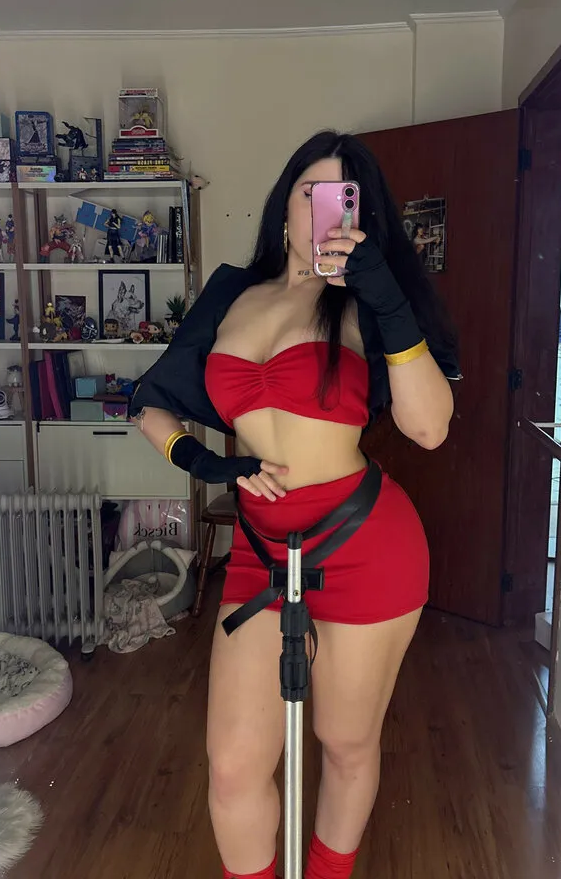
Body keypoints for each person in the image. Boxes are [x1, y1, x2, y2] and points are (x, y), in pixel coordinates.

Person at [128, 130, 460, 879]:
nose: (323, 210)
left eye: (343, 197)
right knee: (231, 767)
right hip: (259, 547)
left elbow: (430, 427)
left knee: (345, 744)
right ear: (284, 205)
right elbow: (151, 404)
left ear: (362, 214)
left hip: (363, 544)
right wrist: (208, 461)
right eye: (310, 192)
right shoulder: (230, 294)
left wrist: (382, 291)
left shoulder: (369, 304)